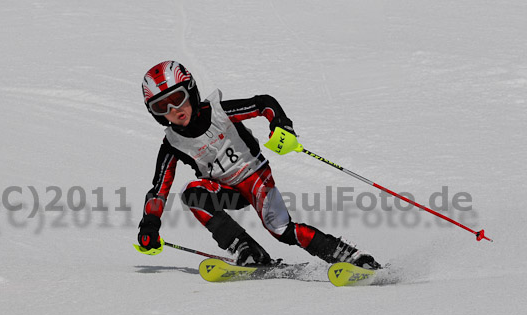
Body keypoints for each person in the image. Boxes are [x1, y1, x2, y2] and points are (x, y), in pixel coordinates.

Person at [136, 60, 380, 269]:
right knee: (192, 194)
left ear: (191, 91)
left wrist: (281, 125)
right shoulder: (173, 143)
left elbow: (264, 103)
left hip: (256, 178)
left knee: (280, 229)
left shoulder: (219, 113)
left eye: (178, 98)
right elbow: (159, 190)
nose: (174, 109)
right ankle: (247, 250)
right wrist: (150, 224)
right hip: (228, 192)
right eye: (162, 106)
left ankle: (350, 256)